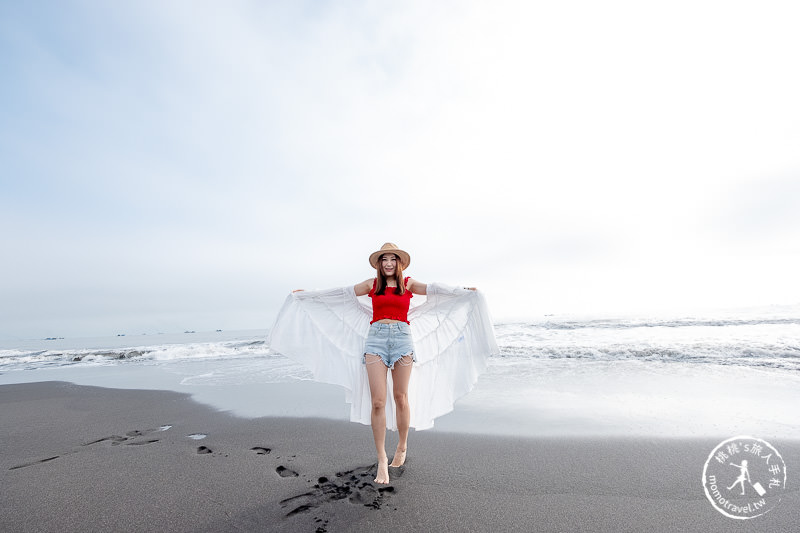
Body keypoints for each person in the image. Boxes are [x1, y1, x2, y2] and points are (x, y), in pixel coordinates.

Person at [270, 242, 497, 485]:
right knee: (377, 401)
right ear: (379, 263)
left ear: (399, 263)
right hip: (375, 341)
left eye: (393, 259)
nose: (388, 263)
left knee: (401, 397)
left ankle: (401, 446)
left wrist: (463, 290)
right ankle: (381, 459)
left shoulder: (408, 284)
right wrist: (308, 295)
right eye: (384, 259)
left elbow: (435, 290)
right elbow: (340, 293)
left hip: (402, 340)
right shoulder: (372, 284)